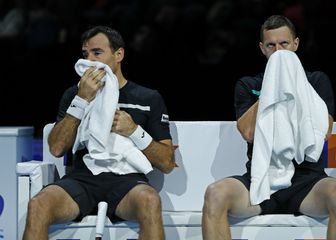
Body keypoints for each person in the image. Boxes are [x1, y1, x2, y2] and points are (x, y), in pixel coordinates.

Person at [23, 25, 176, 240]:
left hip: (127, 181)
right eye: (85, 54)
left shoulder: (148, 98)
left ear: (119, 54)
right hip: (82, 179)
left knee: (150, 201)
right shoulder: (74, 94)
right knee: (39, 204)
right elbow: (57, 148)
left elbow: (167, 163)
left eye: (97, 53)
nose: (90, 61)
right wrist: (82, 99)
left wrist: (134, 131)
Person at [202, 15, 336, 240]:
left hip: (307, 182)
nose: (279, 52)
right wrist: (272, 88)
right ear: (262, 49)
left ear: (296, 44)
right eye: (271, 46)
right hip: (261, 180)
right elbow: (249, 133)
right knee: (215, 194)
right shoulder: (249, 85)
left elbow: (322, 133)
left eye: (284, 44)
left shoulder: (316, 81)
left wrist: (293, 84)